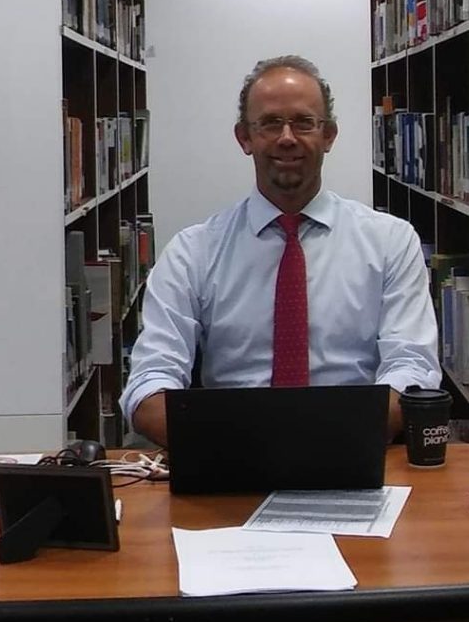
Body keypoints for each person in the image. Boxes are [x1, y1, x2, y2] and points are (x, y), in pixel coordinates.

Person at [118, 55, 441, 448]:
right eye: (270, 123)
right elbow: (148, 384)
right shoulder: (193, 252)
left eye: (304, 122)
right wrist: (239, 447)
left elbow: (414, 369)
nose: (287, 137)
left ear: (329, 135)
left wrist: (330, 442)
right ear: (244, 137)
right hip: (230, 459)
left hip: (358, 455)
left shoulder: (391, 242)